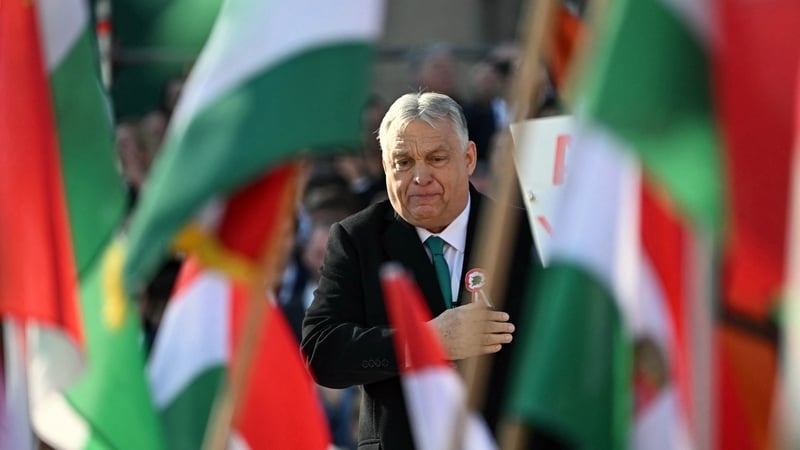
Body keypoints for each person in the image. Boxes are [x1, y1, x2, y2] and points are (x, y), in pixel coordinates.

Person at [302, 92, 539, 449]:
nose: (420, 176)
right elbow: (322, 351)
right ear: (385, 167)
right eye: (403, 162)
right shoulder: (357, 239)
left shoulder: (518, 235)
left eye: (436, 158)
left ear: (469, 158)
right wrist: (424, 341)